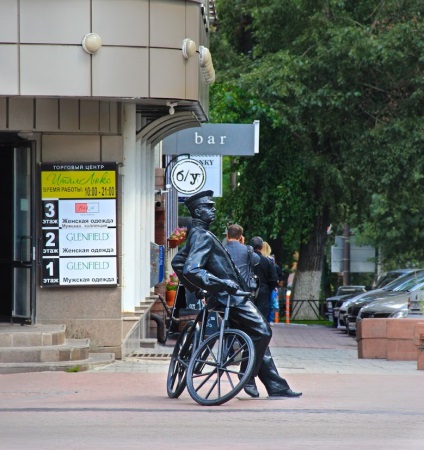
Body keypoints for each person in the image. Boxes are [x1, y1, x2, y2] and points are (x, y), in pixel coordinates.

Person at [172, 190, 301, 399]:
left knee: (255, 336)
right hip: (230, 297)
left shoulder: (198, 234)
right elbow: (191, 269)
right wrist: (219, 283)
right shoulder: (202, 236)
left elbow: (177, 263)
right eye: (209, 207)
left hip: (226, 296)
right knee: (263, 331)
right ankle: (247, 374)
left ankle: (275, 385)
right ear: (197, 211)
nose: (213, 210)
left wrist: (198, 289)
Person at [224, 224, 260, 295]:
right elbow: (257, 260)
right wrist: (243, 245)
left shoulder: (221, 249)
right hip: (244, 290)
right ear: (241, 237)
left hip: (226, 289)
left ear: (227, 235)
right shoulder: (247, 249)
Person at [250, 236, 279, 322]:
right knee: (262, 317)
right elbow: (274, 279)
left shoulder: (247, 259)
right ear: (262, 247)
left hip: (248, 291)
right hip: (264, 291)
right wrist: (270, 287)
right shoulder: (267, 261)